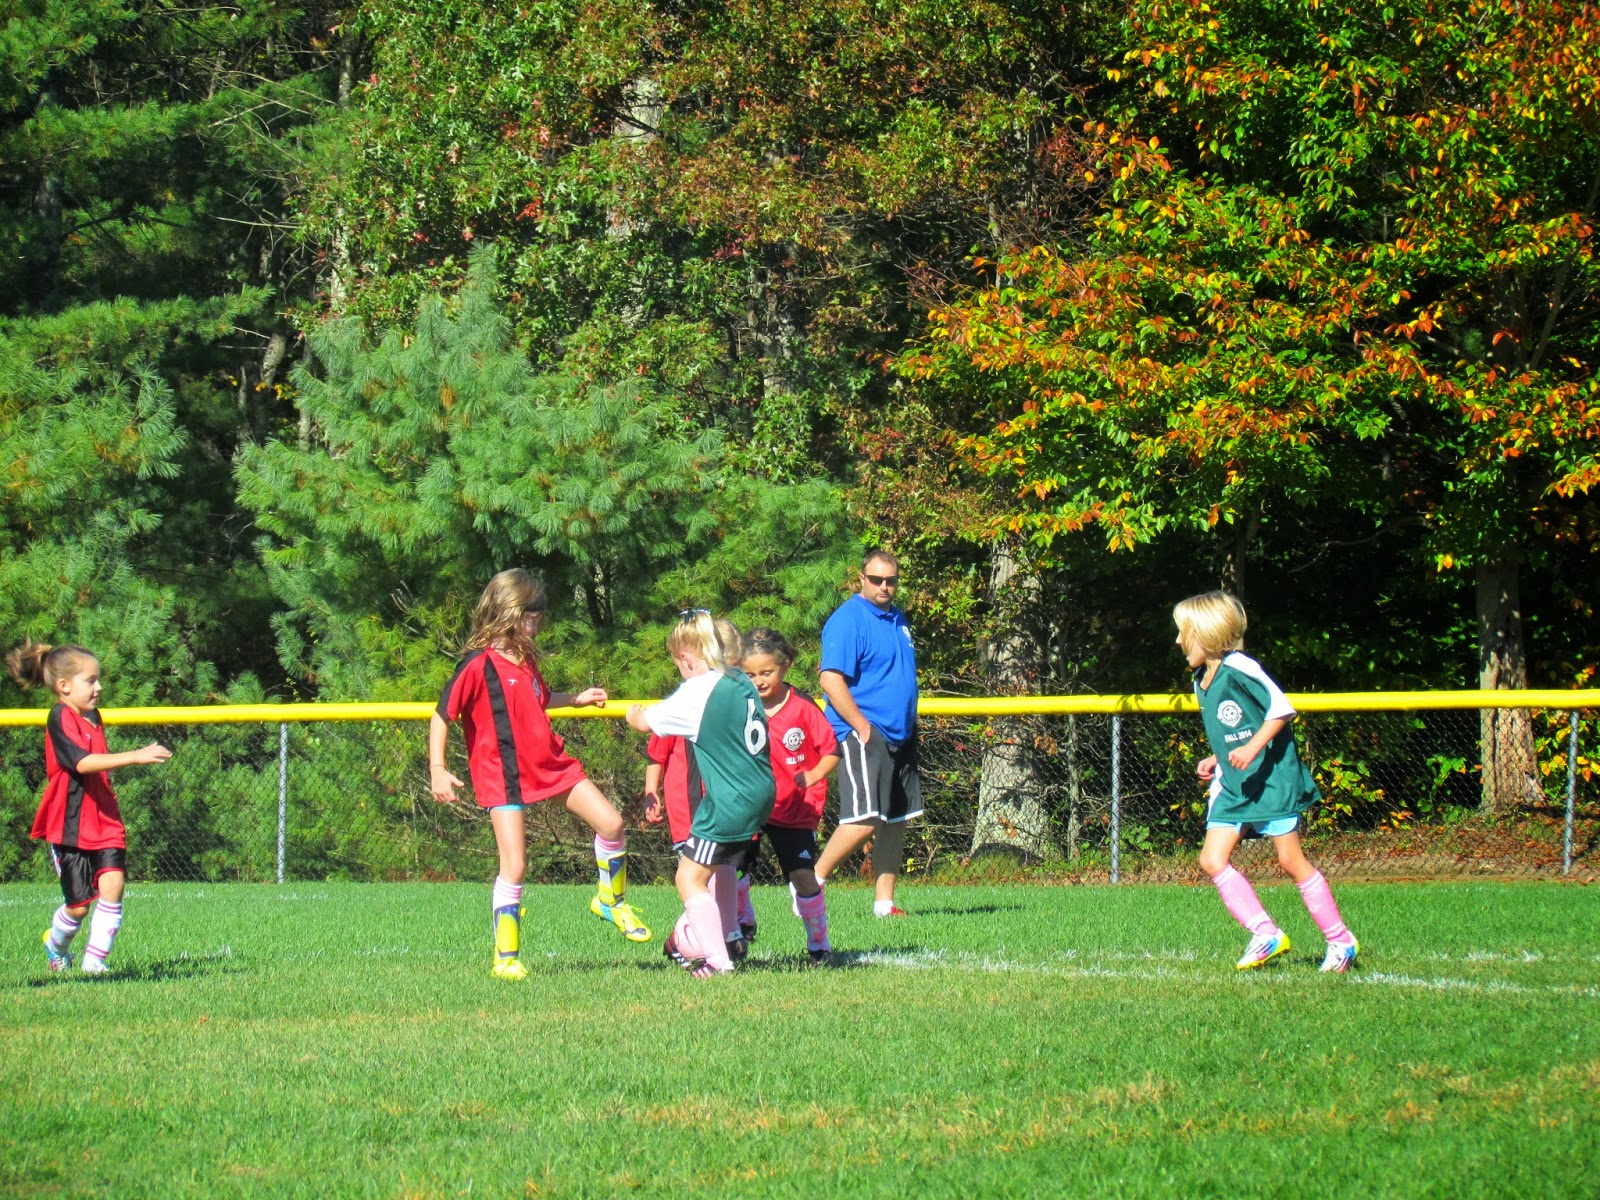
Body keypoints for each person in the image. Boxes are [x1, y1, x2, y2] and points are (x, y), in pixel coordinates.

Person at [430, 569, 650, 981]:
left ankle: (610, 901)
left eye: (538, 618)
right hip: (504, 776)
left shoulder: (526, 659)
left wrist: (576, 700)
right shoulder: (477, 664)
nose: (536, 625)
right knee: (514, 865)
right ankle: (506, 958)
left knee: (612, 824)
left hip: (549, 764)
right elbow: (442, 715)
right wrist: (438, 770)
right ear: (507, 612)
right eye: (530, 617)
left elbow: (539, 699)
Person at [1174, 591, 1360, 973]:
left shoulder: (1239, 666)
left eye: (1183, 632)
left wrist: (1253, 748)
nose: (1178, 641)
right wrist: (1218, 757)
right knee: (1211, 859)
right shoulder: (1199, 679)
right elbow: (1237, 728)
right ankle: (1266, 934)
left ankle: (1341, 940)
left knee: (1290, 861)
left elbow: (1280, 710)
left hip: (1271, 778)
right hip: (1235, 783)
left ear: (1207, 632)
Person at [6, 640, 171, 974]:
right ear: (64, 686)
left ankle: (94, 961)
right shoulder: (59, 716)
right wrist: (135, 755)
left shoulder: (94, 715)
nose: (99, 687)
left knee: (113, 885)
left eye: (99, 679)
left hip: (104, 818)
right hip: (70, 823)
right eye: (91, 680)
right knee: (79, 908)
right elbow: (81, 763)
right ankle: (56, 945)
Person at [626, 610, 775, 977]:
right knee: (723, 864)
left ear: (686, 658)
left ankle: (717, 962)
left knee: (688, 878)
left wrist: (633, 714)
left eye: (677, 663)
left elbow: (644, 722)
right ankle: (730, 934)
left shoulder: (698, 690)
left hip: (729, 800)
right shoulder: (739, 680)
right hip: (761, 790)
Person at [812, 549, 921, 917]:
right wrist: (862, 727)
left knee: (895, 819)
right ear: (861, 579)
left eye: (891, 580)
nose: (884, 586)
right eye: (876, 579)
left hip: (900, 733)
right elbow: (830, 679)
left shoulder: (898, 618)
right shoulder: (848, 620)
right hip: (864, 732)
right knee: (864, 819)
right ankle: (810, 885)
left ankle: (884, 904)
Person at [739, 627, 840, 962]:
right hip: (750, 804)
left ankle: (819, 942)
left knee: (801, 875)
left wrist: (813, 775)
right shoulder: (740, 705)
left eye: (766, 672)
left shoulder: (802, 707)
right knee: (733, 867)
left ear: (784, 665)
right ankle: (741, 924)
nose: (758, 681)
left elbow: (831, 751)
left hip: (795, 807)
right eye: (750, 674)